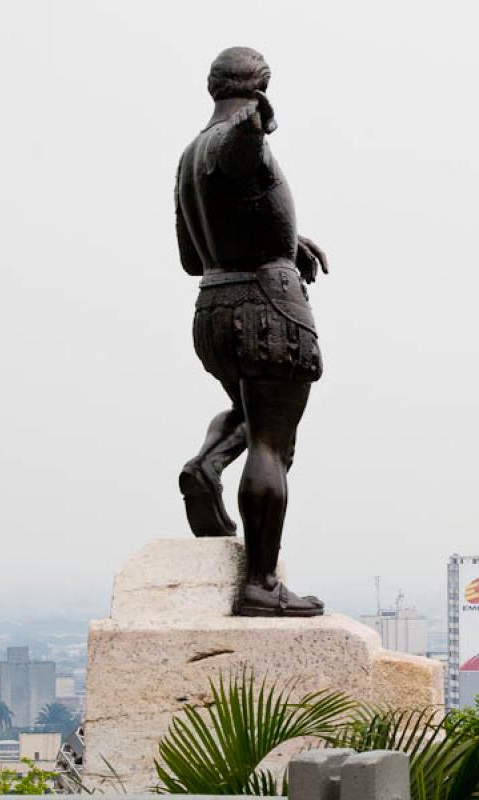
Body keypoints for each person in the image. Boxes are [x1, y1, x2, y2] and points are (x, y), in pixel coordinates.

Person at [175, 47, 329, 617]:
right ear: (262, 85)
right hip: (268, 310)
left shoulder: (190, 155)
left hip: (215, 308)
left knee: (248, 414)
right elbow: (241, 151)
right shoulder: (239, 141)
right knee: (272, 444)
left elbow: (195, 255)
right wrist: (254, 123)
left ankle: (207, 466)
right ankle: (262, 584)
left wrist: (289, 242)